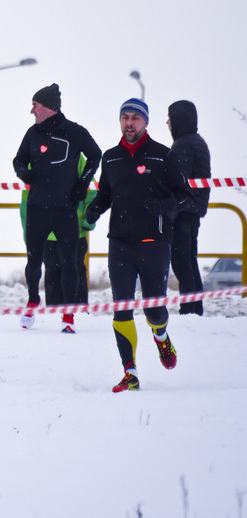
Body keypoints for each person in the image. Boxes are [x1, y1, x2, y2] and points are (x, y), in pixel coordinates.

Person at [85, 98, 193, 393]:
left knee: (153, 311)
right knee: (122, 309)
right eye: (124, 118)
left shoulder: (162, 156)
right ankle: (130, 372)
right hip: (119, 243)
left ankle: (161, 336)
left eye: (135, 118)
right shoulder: (111, 158)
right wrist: (95, 209)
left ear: (145, 122)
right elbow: (105, 194)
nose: (129, 123)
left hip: (154, 243)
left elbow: (184, 195)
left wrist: (163, 206)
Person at [13, 83, 101, 332]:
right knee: (33, 263)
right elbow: (18, 160)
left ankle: (68, 315)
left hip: (65, 211)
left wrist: (82, 184)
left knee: (70, 263)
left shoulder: (74, 132)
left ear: (49, 108)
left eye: (36, 105)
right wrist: (24, 174)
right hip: (37, 210)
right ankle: (32, 301)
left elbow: (96, 155)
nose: (32, 111)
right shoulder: (32, 134)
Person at [19, 154, 98, 333]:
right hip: (47, 234)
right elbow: (26, 200)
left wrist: (88, 220)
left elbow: (92, 189)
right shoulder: (35, 158)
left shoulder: (77, 158)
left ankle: (78, 315)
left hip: (75, 230)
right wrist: (29, 234)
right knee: (53, 273)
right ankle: (55, 315)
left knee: (75, 270)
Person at [167, 100, 211, 315]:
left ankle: (189, 310)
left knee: (182, 263)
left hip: (183, 213)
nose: (168, 123)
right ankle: (195, 309)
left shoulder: (183, 144)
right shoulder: (197, 142)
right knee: (190, 262)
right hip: (192, 211)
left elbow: (179, 183)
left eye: (170, 118)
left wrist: (169, 212)